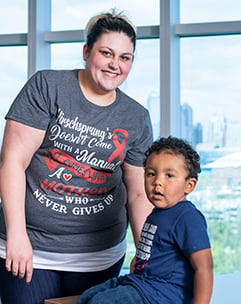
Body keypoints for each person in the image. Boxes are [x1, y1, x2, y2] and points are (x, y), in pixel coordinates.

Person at [0, 9, 153, 304]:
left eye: (125, 57)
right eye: (106, 53)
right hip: (30, 246)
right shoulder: (47, 87)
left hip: (99, 255)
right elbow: (13, 163)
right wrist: (17, 235)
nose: (114, 64)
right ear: (86, 51)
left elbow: (137, 194)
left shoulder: (136, 117)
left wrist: (145, 254)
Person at [76, 136, 214, 304]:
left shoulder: (187, 217)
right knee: (88, 297)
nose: (157, 182)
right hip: (140, 282)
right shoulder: (157, 213)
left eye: (169, 175)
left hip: (162, 293)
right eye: (151, 174)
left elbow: (204, 267)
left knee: (100, 302)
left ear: (189, 185)